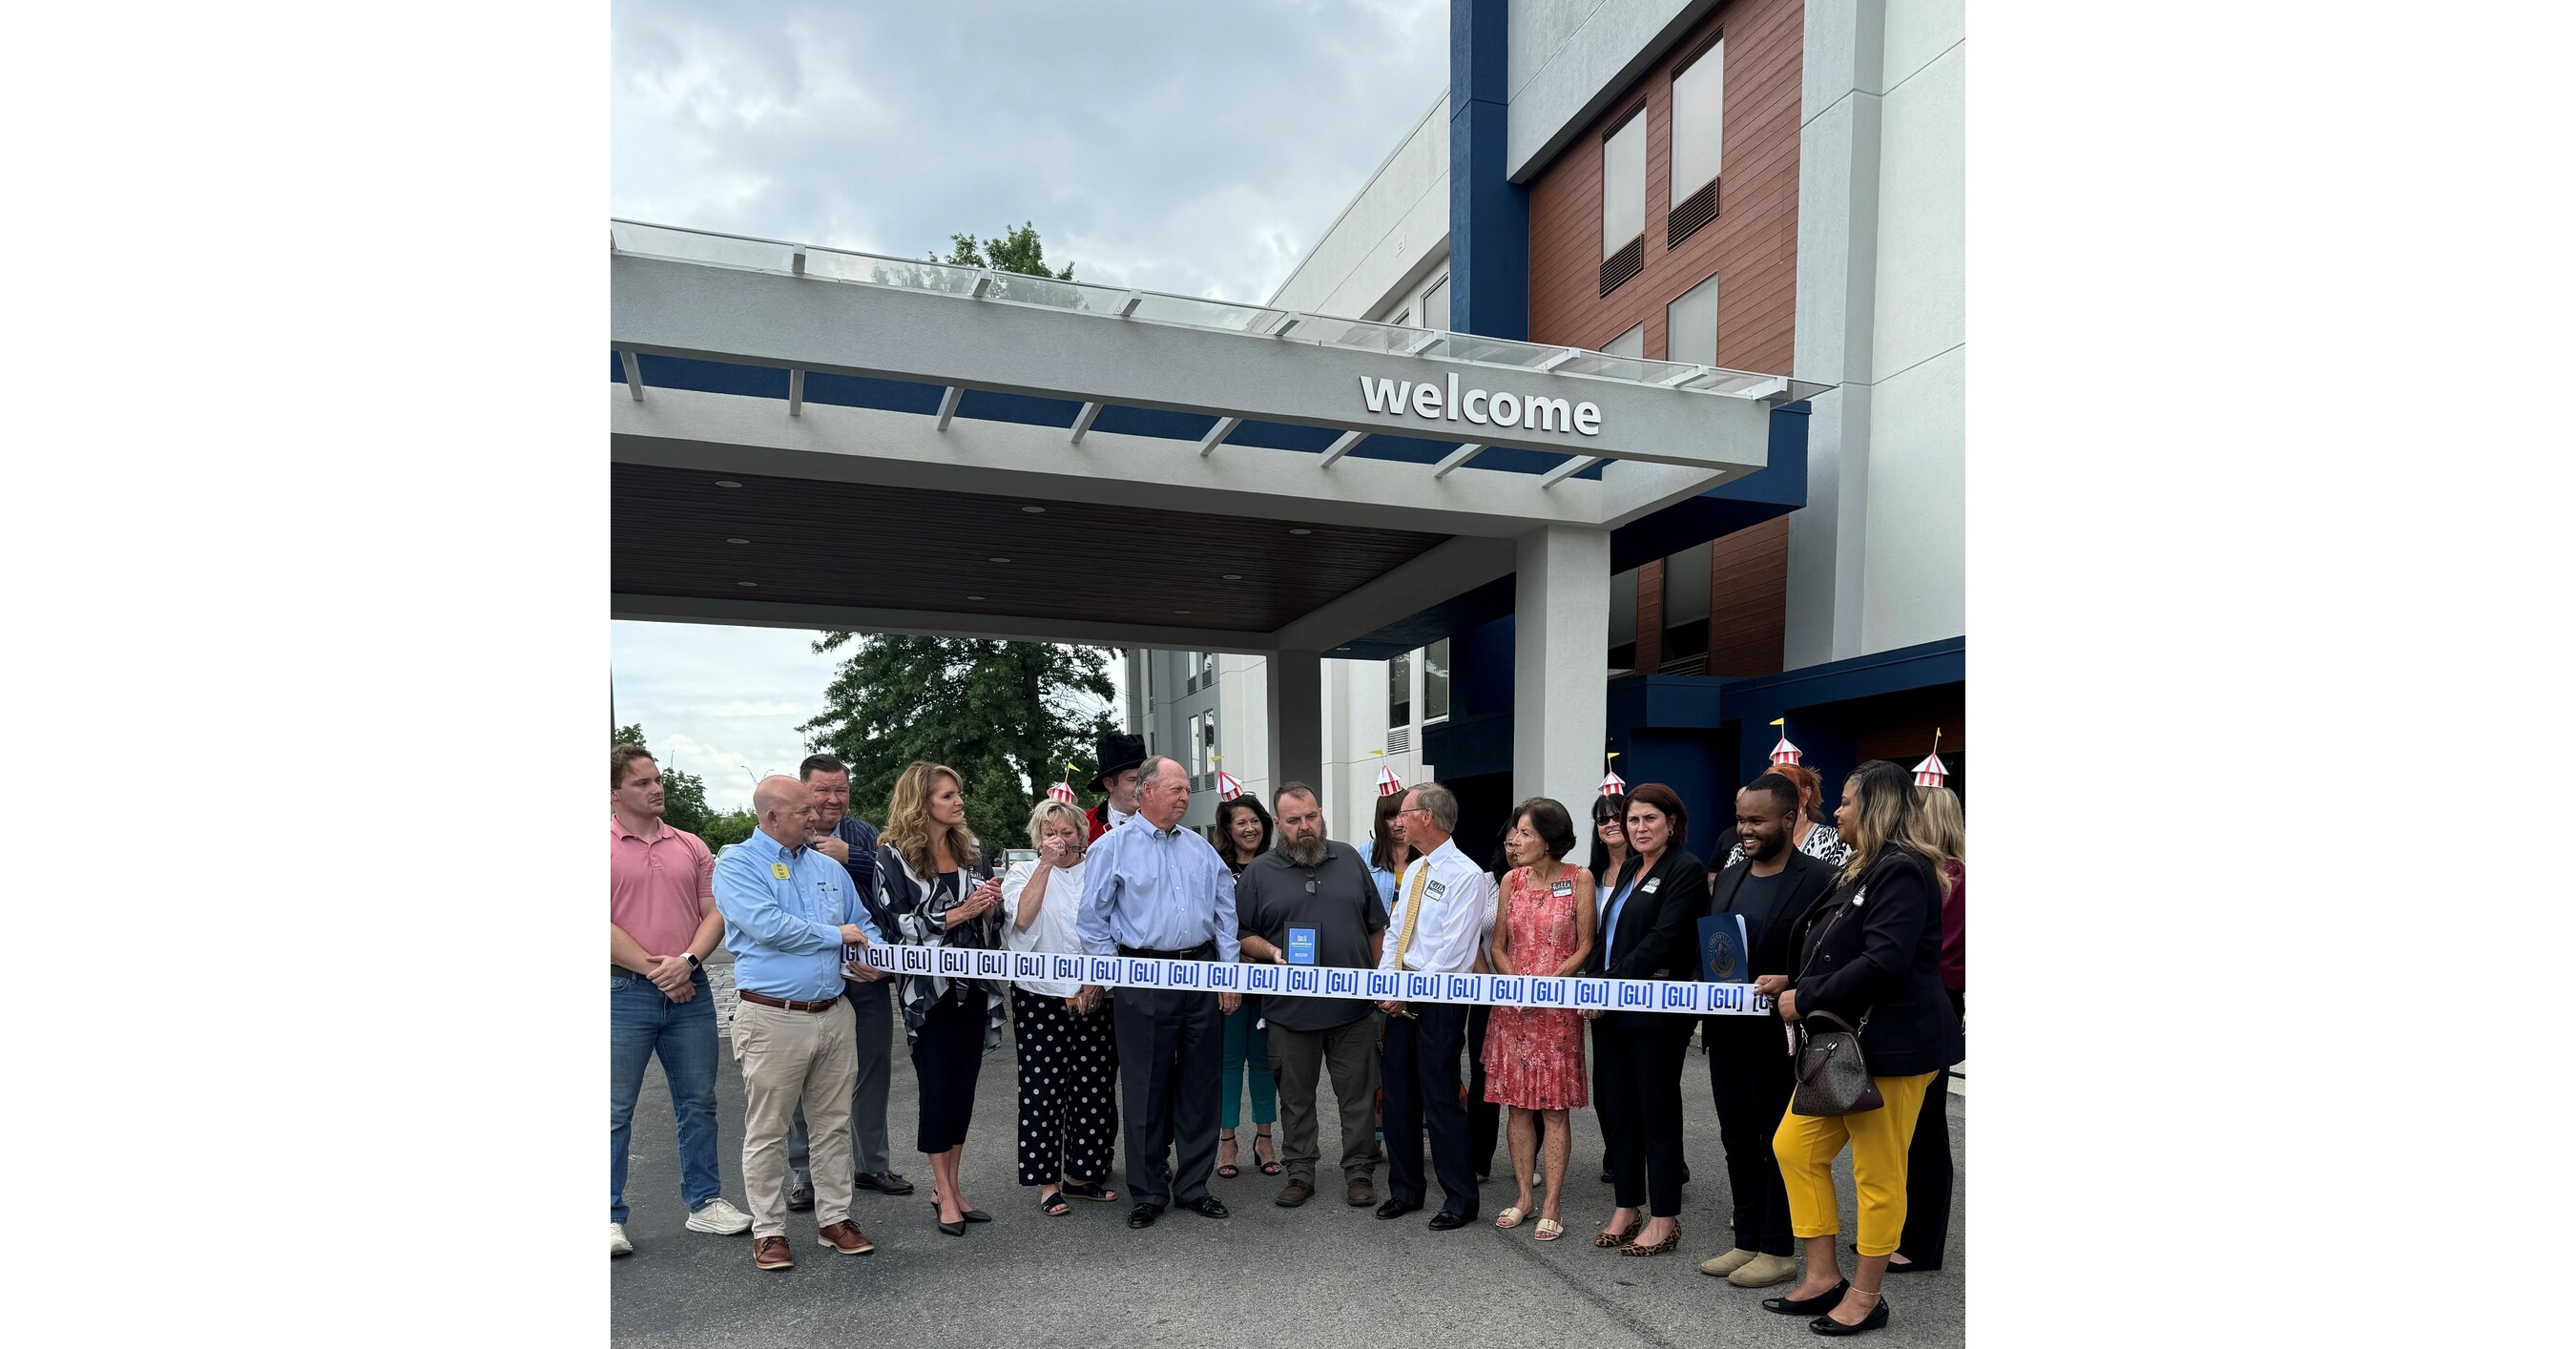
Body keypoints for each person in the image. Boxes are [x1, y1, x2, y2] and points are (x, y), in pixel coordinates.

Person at [1753, 760, 1964, 1336]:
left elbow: (1886, 962)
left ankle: (1867, 1296)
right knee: (1795, 1148)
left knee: (1878, 1174)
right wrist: (1788, 979)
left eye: (1845, 801)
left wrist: (1807, 995)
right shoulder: (1860, 867)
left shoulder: (1904, 870)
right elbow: (1834, 946)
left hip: (1894, 1047)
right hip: (1847, 1045)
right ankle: (1822, 1277)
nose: (1836, 811)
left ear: (1875, 806)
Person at [712, 775, 889, 1270]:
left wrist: (868, 954)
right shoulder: (737, 863)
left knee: (832, 1126)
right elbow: (768, 926)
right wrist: (838, 936)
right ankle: (769, 1231)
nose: (815, 817)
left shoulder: (826, 867)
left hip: (833, 1012)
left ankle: (835, 1219)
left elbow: (863, 922)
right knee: (767, 1130)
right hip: (772, 1017)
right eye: (802, 811)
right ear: (770, 817)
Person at [1076, 755, 1242, 1230]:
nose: (1185, 796)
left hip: (1200, 975)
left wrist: (1228, 975)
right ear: (1145, 792)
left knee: (1200, 1085)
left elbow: (1225, 913)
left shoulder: (1200, 849)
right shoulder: (1113, 848)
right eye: (1176, 788)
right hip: (1143, 977)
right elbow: (1093, 921)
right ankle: (1148, 1191)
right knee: (1146, 1087)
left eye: (1187, 789)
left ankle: (1193, 1186)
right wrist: (1114, 978)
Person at [609, 745, 751, 1256]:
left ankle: (705, 1202)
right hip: (621, 991)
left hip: (689, 991)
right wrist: (661, 971)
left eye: (657, 778)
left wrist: (687, 963)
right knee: (613, 1109)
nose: (655, 787)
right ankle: (607, 1215)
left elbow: (714, 912)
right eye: (642, 781)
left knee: (698, 1103)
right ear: (614, 792)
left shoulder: (690, 845)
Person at [1697, 774, 1838, 1288]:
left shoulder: (1821, 879)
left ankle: (1779, 1248)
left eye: (1756, 821)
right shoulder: (1732, 876)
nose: (1746, 830)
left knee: (1775, 1141)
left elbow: (1835, 956)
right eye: (1740, 820)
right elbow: (1715, 948)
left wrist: (1793, 982)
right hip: (1727, 1031)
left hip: (1782, 1035)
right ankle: (1747, 1239)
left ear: (1788, 818)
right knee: (1736, 1137)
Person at [1233, 783, 1386, 1209]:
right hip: (1289, 1012)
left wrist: (1378, 984)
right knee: (1296, 1100)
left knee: (1357, 1098)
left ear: (1321, 814)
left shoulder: (1349, 859)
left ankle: (1359, 1172)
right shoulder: (1260, 872)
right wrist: (1271, 952)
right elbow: (1240, 934)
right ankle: (1300, 1173)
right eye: (1295, 820)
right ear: (1278, 824)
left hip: (1353, 1010)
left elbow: (1376, 925)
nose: (1306, 827)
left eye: (1312, 816)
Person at [874, 761, 1004, 1237]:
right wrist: (957, 913)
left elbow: (991, 918)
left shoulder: (970, 849)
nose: (958, 801)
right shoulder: (892, 856)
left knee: (963, 1088)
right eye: (948, 795)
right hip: (928, 993)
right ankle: (944, 1193)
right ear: (921, 802)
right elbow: (896, 926)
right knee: (936, 1087)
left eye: (958, 793)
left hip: (975, 982)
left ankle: (951, 1185)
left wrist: (990, 904)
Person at [784, 754, 912, 1214]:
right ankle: (804, 1173)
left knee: (873, 1067)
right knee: (804, 1075)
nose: (833, 800)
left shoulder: (861, 834)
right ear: (802, 791)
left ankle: (871, 1163)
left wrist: (852, 858)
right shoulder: (783, 836)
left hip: (866, 972)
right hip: (810, 977)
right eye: (822, 790)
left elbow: (894, 884)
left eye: (841, 790)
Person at [1587, 782, 1707, 1258]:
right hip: (1612, 1006)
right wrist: (1594, 979)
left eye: (1648, 819)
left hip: (1656, 1009)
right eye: (1632, 820)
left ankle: (1664, 1217)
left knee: (1655, 1110)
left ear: (1672, 822)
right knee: (1616, 1108)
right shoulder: (1632, 867)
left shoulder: (1687, 869)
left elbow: (1664, 939)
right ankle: (1626, 1206)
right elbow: (1607, 934)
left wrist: (1610, 981)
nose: (1638, 828)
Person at [1373, 781, 1497, 1232]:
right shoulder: (1415, 871)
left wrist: (1408, 990)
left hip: (1440, 1001)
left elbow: (1452, 951)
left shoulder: (1467, 875)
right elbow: (1395, 934)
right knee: (1399, 1096)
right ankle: (1405, 1190)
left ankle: (1460, 1198)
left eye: (1404, 813)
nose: (1398, 821)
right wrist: (1389, 984)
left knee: (1441, 1098)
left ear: (1427, 816)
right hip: (1402, 995)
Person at [1482, 798, 1596, 1242]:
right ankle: (1524, 1198)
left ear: (1550, 840)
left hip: (1557, 1007)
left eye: (1525, 832)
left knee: (1553, 1108)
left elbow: (1585, 945)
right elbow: (1497, 946)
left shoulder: (1579, 878)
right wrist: (1518, 986)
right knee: (1517, 1107)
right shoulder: (1511, 880)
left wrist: (1545, 986)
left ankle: (1552, 1203)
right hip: (1513, 1006)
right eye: (1515, 831)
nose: (1515, 840)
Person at [1000, 799, 1121, 1216]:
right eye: (1050, 833)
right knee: (1042, 1088)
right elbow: (1022, 920)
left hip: (1092, 992)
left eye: (1067, 832)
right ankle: (1046, 1182)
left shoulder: (1098, 871)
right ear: (1037, 840)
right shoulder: (1021, 874)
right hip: (1039, 994)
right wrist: (1046, 866)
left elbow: (1109, 931)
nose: (1059, 840)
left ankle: (1081, 1174)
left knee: (1094, 1086)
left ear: (1082, 836)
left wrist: (1097, 981)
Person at [1889, 782, 1966, 1275]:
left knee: (1923, 1127)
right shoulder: (1938, 875)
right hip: (1936, 998)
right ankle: (1905, 1233)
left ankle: (1919, 1241)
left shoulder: (1946, 878)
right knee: (1909, 1126)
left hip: (1929, 999)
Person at [1212, 795, 1281, 1180]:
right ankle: (1227, 1140)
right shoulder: (1214, 866)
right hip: (1228, 977)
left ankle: (1265, 1138)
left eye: (1255, 821)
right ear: (1227, 828)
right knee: (1227, 1058)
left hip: (1270, 977)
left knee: (1263, 1058)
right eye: (1241, 822)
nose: (1250, 828)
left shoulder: (1277, 865)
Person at [1586, 792, 1631, 1184]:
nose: (1611, 824)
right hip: (1600, 990)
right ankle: (1616, 1151)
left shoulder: (1648, 870)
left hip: (1639, 988)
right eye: (1603, 820)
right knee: (1607, 1083)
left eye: (1619, 816)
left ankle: (1666, 1157)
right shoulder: (1590, 876)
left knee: (1648, 1083)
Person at [1726, 761, 1850, 869]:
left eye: (1782, 790)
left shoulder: (1836, 844)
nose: (1771, 797)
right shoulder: (1742, 850)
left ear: (1805, 796)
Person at [1355, 790, 1411, 919]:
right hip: (1378, 937)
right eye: (1391, 817)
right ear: (1381, 821)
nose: (1399, 823)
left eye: (1403, 814)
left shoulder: (1426, 854)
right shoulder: (1362, 855)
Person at [1085, 732, 1148, 841]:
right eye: (1133, 780)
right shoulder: (1085, 824)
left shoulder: (1160, 822)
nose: (1142, 787)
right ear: (1109, 784)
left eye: (1145, 779)